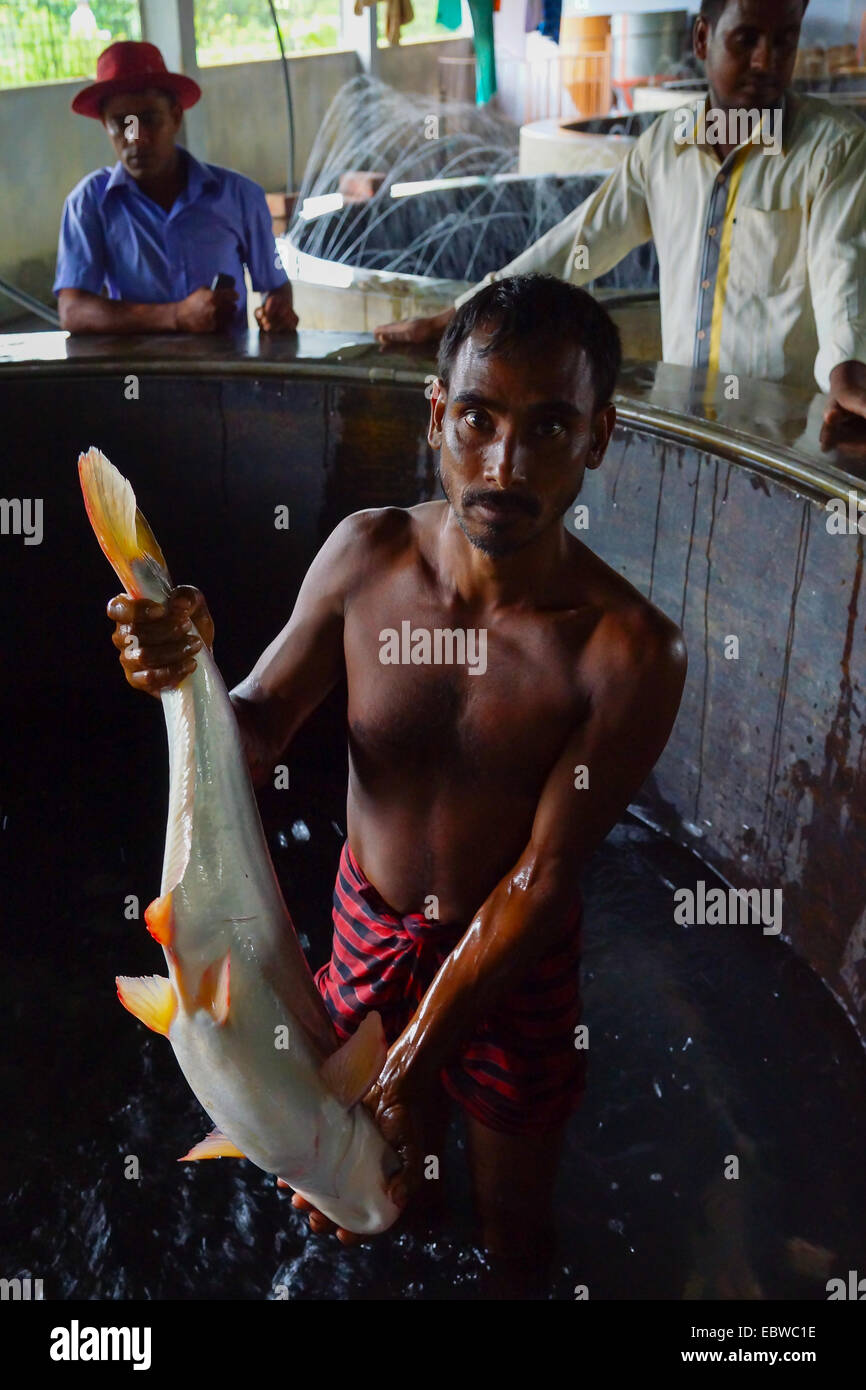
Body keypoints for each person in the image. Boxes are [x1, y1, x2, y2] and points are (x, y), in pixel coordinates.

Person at [106, 274, 687, 1295]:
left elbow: (542, 880)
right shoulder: (366, 558)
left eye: (549, 426)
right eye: (478, 417)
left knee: (513, 1232)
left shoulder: (626, 649)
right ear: (434, 413)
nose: (504, 463)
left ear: (599, 434)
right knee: (361, 1206)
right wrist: (186, 661)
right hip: (366, 931)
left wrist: (406, 1066)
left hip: (511, 963)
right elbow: (253, 731)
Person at [375, 0, 866, 436]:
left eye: (784, 41)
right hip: (690, 430)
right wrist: (464, 315)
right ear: (702, 38)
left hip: (787, 439)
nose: (767, 60)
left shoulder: (834, 148)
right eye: (747, 39)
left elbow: (840, 267)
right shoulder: (664, 148)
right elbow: (577, 244)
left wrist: (847, 369)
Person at [54, 41, 297, 336]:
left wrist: (277, 310)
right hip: (138, 379)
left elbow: (276, 286)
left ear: (175, 117)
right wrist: (176, 316)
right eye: (121, 123)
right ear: (105, 125)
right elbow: (73, 311)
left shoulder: (239, 196)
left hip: (226, 376)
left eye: (150, 119)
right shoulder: (90, 204)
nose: (137, 138)